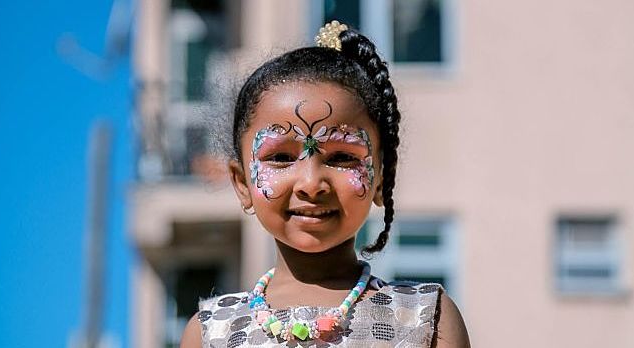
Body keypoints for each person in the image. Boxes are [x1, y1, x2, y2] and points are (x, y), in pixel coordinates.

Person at [181, 21, 470, 348]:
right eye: (280, 158)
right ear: (242, 184)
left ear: (381, 177)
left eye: (343, 157)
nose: (311, 183)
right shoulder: (210, 332)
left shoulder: (424, 318)